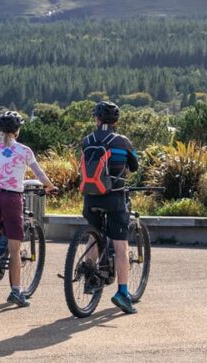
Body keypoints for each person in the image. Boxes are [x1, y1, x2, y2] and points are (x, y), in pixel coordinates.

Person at [0, 111, 57, 308]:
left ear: (0, 130)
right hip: (11, 197)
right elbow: (39, 174)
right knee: (15, 250)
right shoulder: (24, 151)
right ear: (18, 130)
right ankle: (16, 291)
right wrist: (50, 186)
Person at [81, 101, 139, 314]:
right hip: (114, 198)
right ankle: (123, 294)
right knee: (121, 245)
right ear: (116, 121)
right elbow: (134, 166)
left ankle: (89, 279)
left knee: (93, 236)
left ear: (96, 119)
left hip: (90, 198)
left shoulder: (86, 140)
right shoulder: (122, 141)